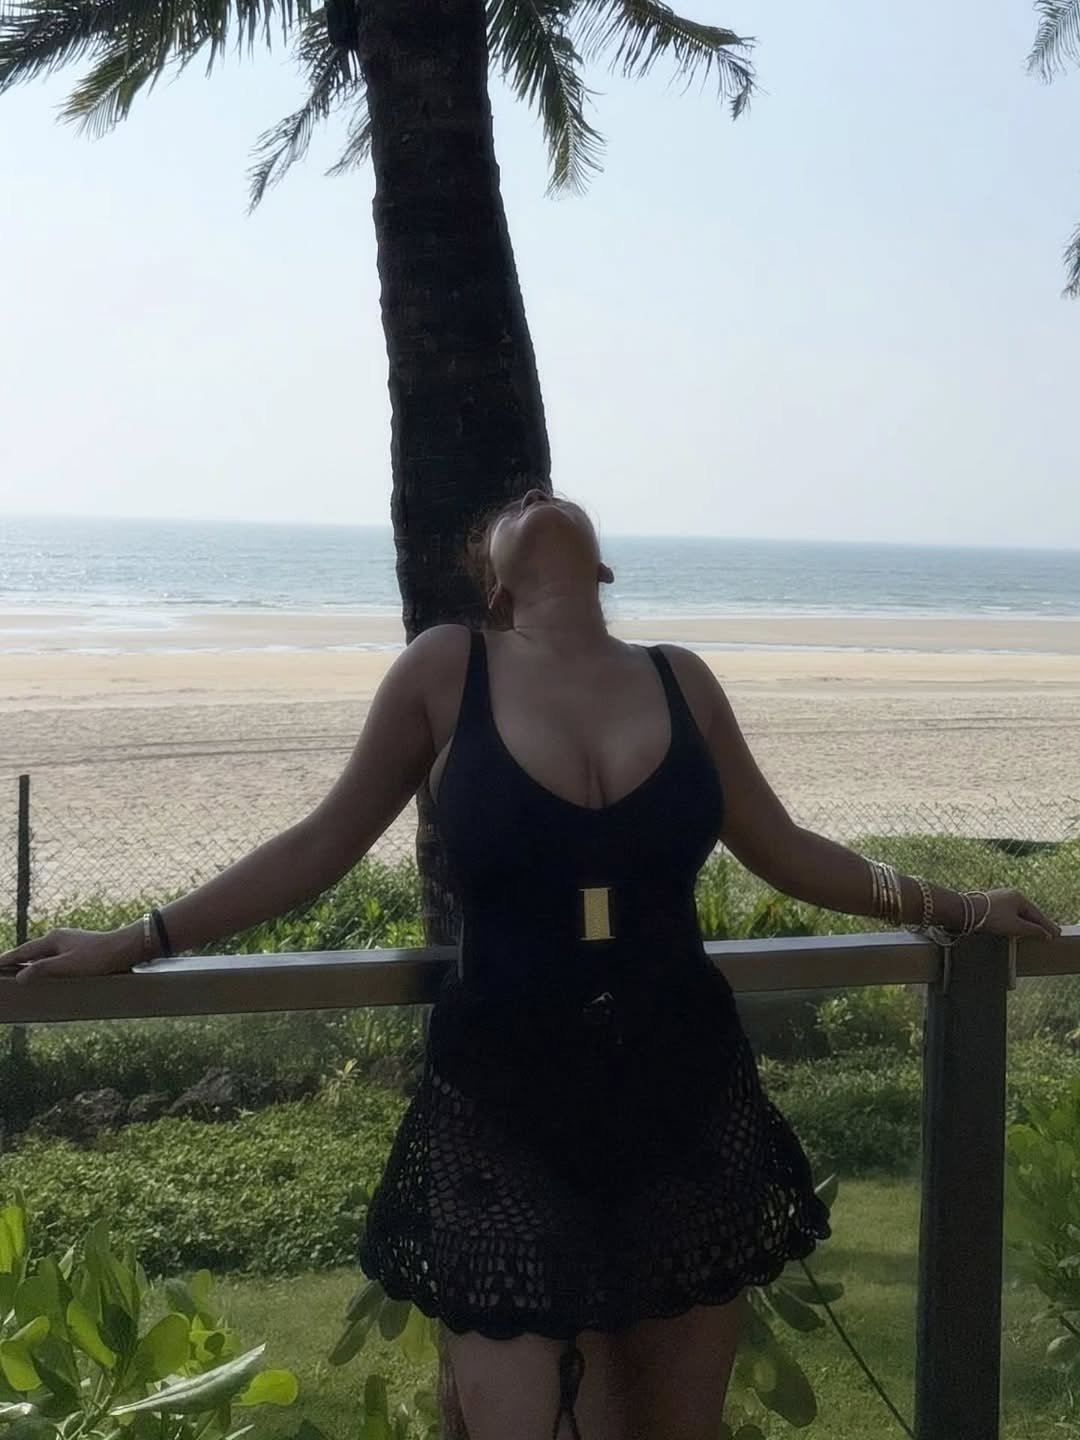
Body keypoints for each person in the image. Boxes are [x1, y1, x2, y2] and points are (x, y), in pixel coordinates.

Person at [2, 491, 1060, 1440]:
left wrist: (961, 906)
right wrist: (134, 941)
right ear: (497, 586)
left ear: (604, 568)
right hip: (505, 1108)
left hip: (688, 1098)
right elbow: (321, 843)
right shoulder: (447, 667)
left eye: (555, 499)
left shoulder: (680, 678)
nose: (539, 498)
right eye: (513, 506)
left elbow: (783, 849)